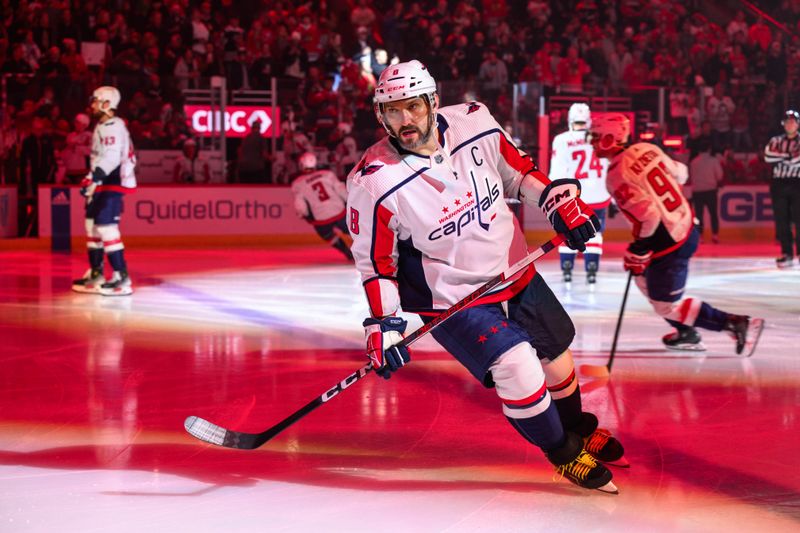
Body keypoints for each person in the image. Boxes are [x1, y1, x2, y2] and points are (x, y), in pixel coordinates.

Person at [346, 60, 622, 493]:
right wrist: (384, 325)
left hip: (513, 270)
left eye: (413, 107)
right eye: (393, 111)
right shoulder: (372, 182)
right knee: (519, 369)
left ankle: (578, 429)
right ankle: (564, 453)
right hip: (454, 300)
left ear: (433, 102)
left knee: (558, 360)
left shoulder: (475, 121)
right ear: (381, 114)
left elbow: (519, 175)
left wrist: (554, 203)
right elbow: (378, 264)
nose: (405, 121)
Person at [587, 113, 764, 354]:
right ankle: (686, 330)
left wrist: (637, 250)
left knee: (664, 305)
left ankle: (733, 323)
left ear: (610, 138)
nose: (592, 142)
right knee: (643, 279)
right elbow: (681, 173)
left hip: (669, 241)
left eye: (596, 137)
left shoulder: (616, 175)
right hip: (686, 224)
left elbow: (649, 217)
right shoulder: (646, 148)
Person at [71, 86, 137, 296]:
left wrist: (94, 177)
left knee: (107, 228)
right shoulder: (104, 125)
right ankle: (97, 272)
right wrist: (92, 181)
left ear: (107, 103)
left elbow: (111, 157)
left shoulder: (112, 125)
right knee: (92, 227)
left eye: (95, 101)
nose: (92, 105)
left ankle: (121, 276)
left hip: (111, 182)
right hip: (102, 182)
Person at [549, 103, 610, 285]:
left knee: (569, 229)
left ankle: (567, 267)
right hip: (599, 194)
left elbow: (557, 173)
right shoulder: (601, 138)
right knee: (596, 232)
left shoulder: (561, 140)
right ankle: (592, 268)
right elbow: (607, 166)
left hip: (574, 196)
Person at [291, 152, 353, 261]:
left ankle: (345, 251)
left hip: (321, 218)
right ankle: (366, 251)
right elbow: (341, 190)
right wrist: (350, 202)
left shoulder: (298, 183)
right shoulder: (328, 174)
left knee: (328, 236)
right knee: (353, 232)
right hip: (339, 211)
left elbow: (300, 205)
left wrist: (303, 214)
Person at [763, 109, 800, 268]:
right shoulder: (775, 140)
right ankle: (787, 253)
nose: (790, 124)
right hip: (779, 183)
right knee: (782, 220)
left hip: (797, 182)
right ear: (783, 124)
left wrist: (781, 158)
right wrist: (788, 157)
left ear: (797, 124)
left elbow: (798, 161)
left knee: (799, 219)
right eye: (787, 121)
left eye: (793, 121)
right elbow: (768, 157)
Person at [688, 141, 724, 244]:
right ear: (709, 149)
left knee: (699, 215)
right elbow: (720, 175)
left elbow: (691, 176)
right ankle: (715, 235)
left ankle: (700, 236)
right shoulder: (713, 161)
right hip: (710, 191)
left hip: (697, 191)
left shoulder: (693, 162)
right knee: (713, 214)